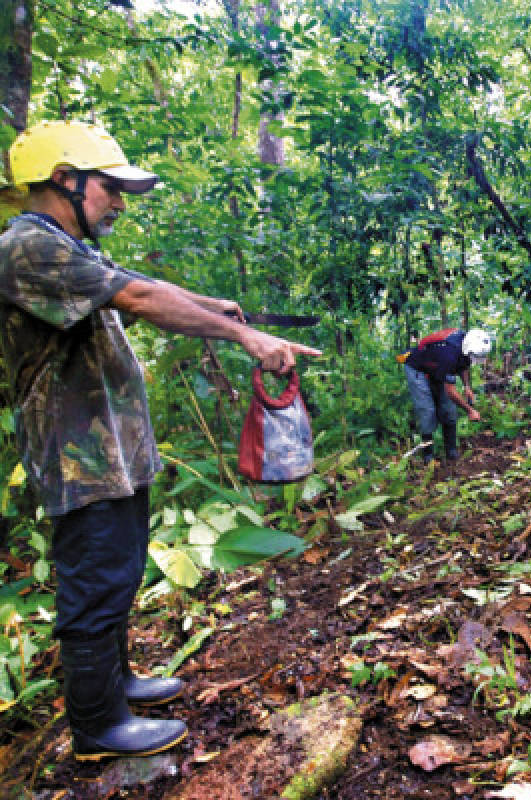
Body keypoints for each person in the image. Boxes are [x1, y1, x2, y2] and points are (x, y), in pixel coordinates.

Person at [0, 120, 322, 760]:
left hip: (110, 450)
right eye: (110, 188)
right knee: (93, 578)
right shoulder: (26, 247)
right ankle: (96, 726)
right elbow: (140, 297)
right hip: (76, 452)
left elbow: (133, 286)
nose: (118, 202)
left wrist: (215, 306)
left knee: (116, 572)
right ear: (65, 180)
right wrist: (246, 338)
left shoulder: (71, 245)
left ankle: (116, 685)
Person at [399, 327, 492, 461]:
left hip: (437, 368)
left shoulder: (465, 344)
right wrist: (469, 410)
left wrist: (467, 386)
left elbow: (465, 364)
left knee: (448, 409)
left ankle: (451, 451)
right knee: (427, 410)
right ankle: (428, 455)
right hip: (417, 369)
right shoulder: (448, 355)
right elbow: (451, 392)